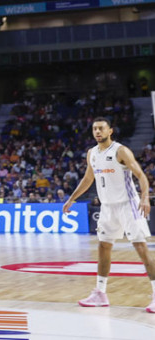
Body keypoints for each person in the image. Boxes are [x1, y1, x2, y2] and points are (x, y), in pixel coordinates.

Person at [62, 117, 154, 312]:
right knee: (103, 247)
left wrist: (145, 197)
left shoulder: (121, 151)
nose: (97, 132)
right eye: (95, 129)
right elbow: (88, 179)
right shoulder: (92, 153)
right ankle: (100, 294)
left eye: (101, 128)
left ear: (110, 131)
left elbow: (141, 176)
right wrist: (72, 199)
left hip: (128, 205)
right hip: (107, 207)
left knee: (141, 249)